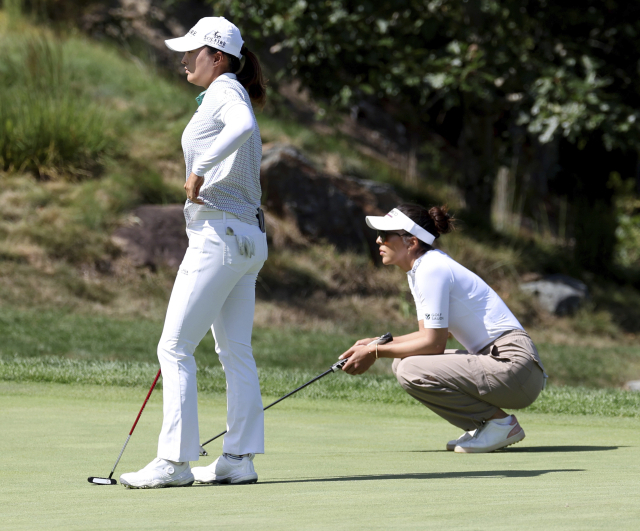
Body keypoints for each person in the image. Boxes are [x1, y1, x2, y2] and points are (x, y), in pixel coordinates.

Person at [120, 17, 268, 488]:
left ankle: (174, 462)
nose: (184, 59)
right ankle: (238, 458)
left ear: (218, 57)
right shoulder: (225, 92)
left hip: (219, 238)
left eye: (192, 52)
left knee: (175, 346)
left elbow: (242, 125)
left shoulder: (227, 89)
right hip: (247, 239)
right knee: (234, 351)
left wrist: (200, 168)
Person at [339, 204, 547, 453]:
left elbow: (435, 344)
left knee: (410, 367)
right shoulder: (422, 269)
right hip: (507, 365)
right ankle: (486, 426)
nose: (378, 240)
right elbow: (430, 334)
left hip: (513, 366)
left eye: (385, 236)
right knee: (403, 361)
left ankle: (499, 424)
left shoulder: (431, 269)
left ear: (411, 242)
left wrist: (374, 352)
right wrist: (377, 343)